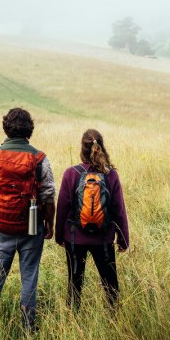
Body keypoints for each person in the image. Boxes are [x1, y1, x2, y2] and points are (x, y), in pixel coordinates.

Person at [0, 107, 56, 330]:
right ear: (29, 129)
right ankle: (28, 327)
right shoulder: (40, 159)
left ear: (6, 127)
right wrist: (49, 225)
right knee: (29, 277)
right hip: (31, 229)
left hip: (0, 227)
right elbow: (49, 196)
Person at [54, 128, 130, 311]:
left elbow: (62, 208)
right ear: (102, 148)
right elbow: (118, 210)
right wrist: (123, 239)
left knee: (74, 283)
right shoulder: (111, 175)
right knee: (110, 284)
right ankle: (114, 318)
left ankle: (73, 319)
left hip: (74, 239)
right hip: (103, 239)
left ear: (82, 149)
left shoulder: (71, 173)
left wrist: (59, 236)